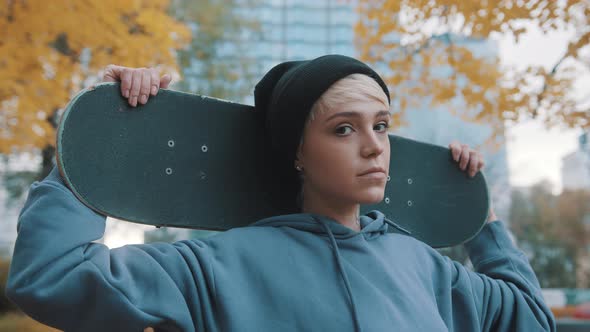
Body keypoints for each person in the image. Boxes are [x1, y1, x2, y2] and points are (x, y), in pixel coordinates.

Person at [5, 55, 555, 332]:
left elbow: (531, 316)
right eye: (344, 128)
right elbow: (51, 278)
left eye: (381, 126)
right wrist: (98, 151)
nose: (373, 147)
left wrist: (476, 214)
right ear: (296, 151)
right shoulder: (217, 267)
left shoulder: (425, 268)